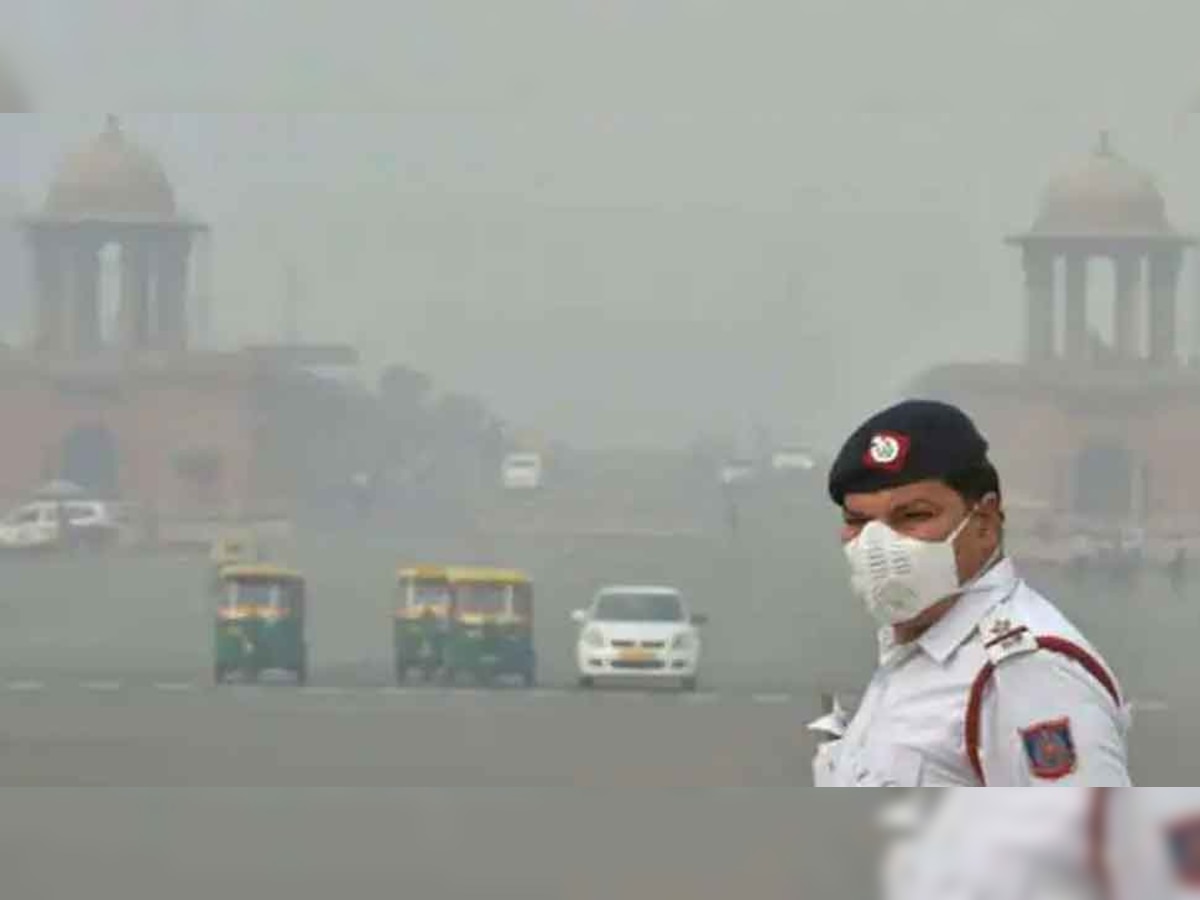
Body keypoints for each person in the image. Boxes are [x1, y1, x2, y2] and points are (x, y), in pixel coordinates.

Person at [811, 399, 1131, 786]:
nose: (878, 545)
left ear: (984, 522)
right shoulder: (918, 648)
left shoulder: (1027, 674)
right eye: (857, 521)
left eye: (914, 516)